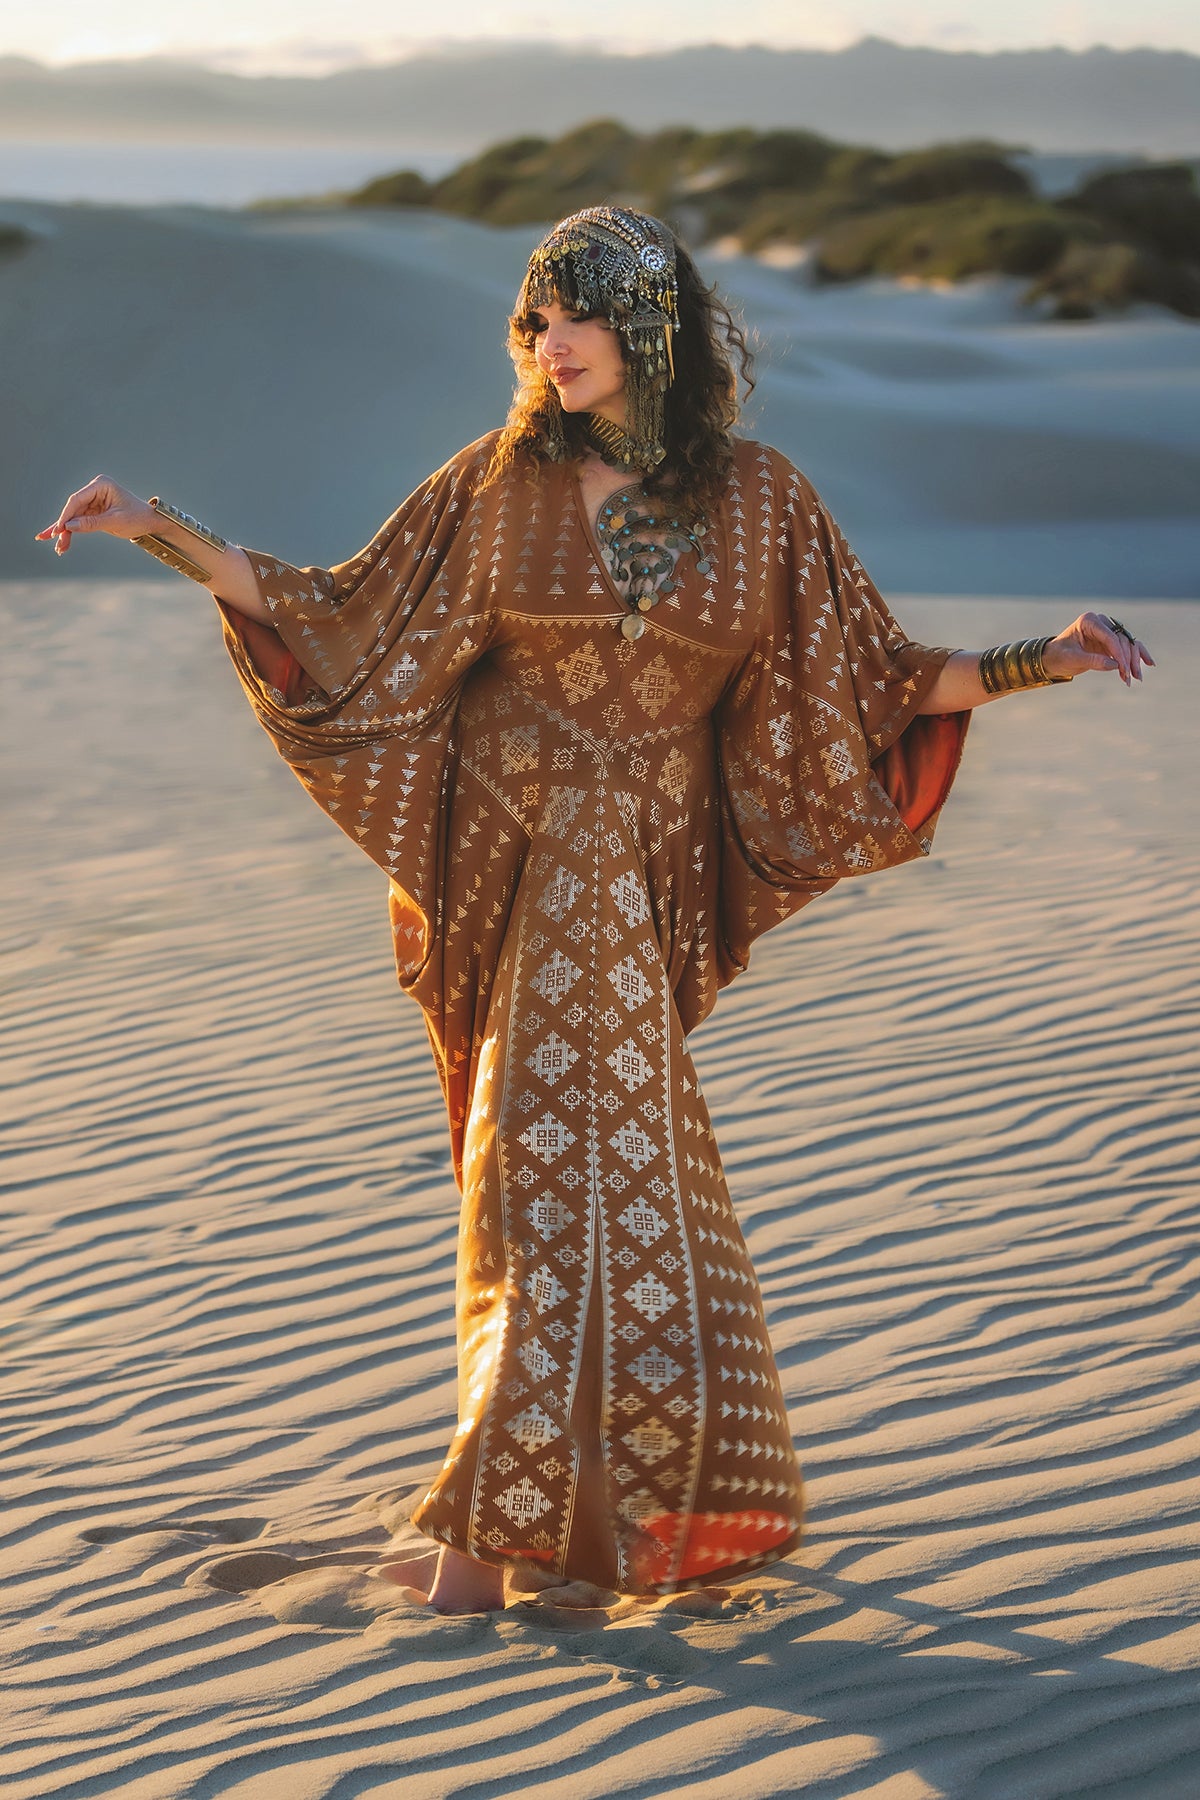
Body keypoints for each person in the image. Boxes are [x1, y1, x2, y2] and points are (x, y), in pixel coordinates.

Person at [39, 205, 1153, 1616]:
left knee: (578, 1188)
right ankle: (525, 1517)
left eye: (576, 317)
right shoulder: (495, 485)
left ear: (651, 330)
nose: (548, 344)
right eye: (533, 320)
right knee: (538, 1185)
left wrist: (1034, 660)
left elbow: (870, 681)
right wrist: (157, 528)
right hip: (500, 872)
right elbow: (333, 613)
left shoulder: (763, 504)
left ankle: (535, 1523)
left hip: (622, 892)